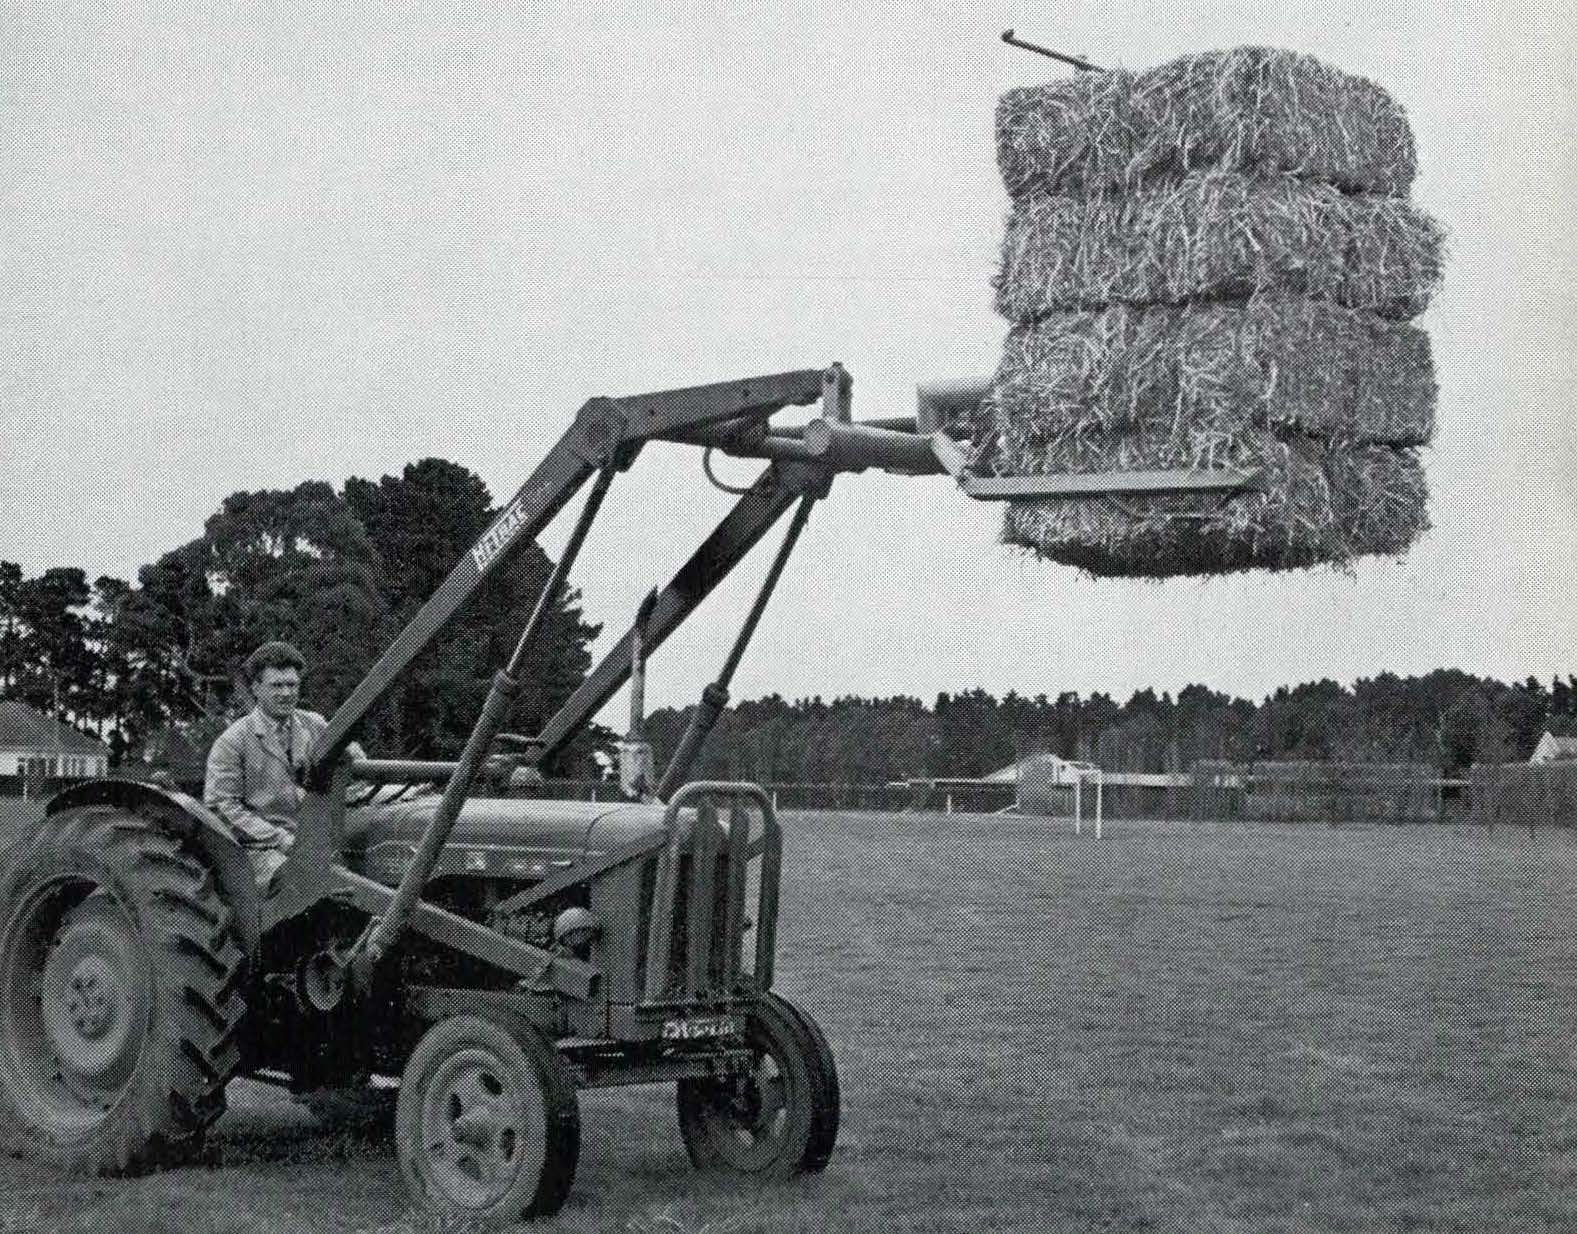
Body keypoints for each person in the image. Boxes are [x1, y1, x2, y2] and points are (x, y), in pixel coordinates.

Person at [204, 641, 363, 888]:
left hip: (319, 841)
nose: (287, 693)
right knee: (304, 884)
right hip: (261, 850)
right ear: (256, 688)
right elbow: (221, 808)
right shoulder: (232, 742)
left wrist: (353, 758)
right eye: (277, 686)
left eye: (292, 685)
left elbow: (355, 768)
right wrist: (280, 839)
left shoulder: (315, 724)